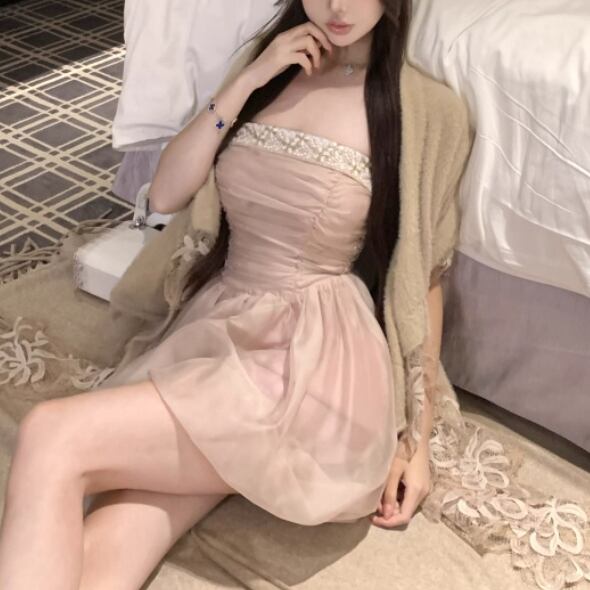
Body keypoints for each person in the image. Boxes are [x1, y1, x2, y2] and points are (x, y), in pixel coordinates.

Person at [0, 1, 458, 588]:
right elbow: (165, 195)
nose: (338, 6)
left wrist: (416, 442)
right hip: (219, 328)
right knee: (120, 525)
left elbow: (424, 278)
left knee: (51, 435)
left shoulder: (425, 109)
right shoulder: (267, 68)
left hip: (310, 365)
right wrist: (248, 80)